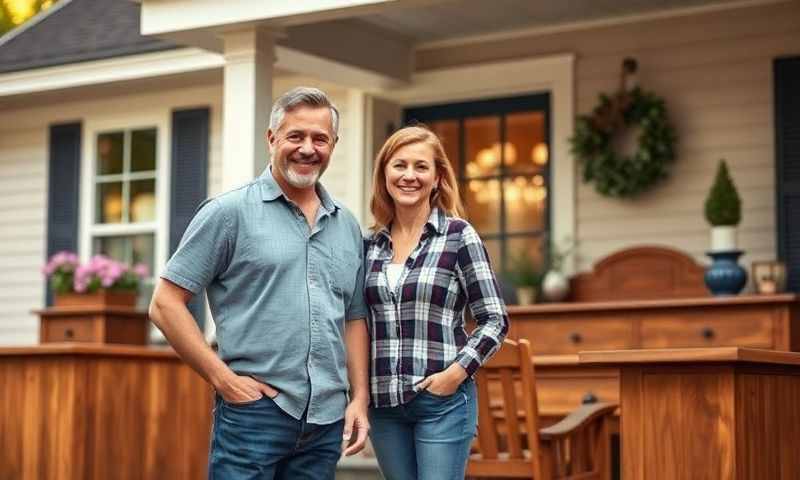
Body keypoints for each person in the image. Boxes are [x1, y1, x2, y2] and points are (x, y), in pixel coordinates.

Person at [148, 87, 370, 480]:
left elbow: (353, 318)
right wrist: (224, 380)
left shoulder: (347, 225)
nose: (308, 148)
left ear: (333, 144)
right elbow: (165, 303)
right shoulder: (228, 213)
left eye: (320, 138)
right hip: (256, 414)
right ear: (272, 139)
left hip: (325, 420)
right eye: (295, 136)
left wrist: (360, 399)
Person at [364, 126, 509, 480]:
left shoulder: (458, 236)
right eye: (399, 165)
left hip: (441, 402)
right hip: (383, 405)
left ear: (438, 177)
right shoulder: (369, 245)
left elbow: (495, 319)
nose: (409, 176)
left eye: (421, 167)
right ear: (384, 174)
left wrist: (455, 374)